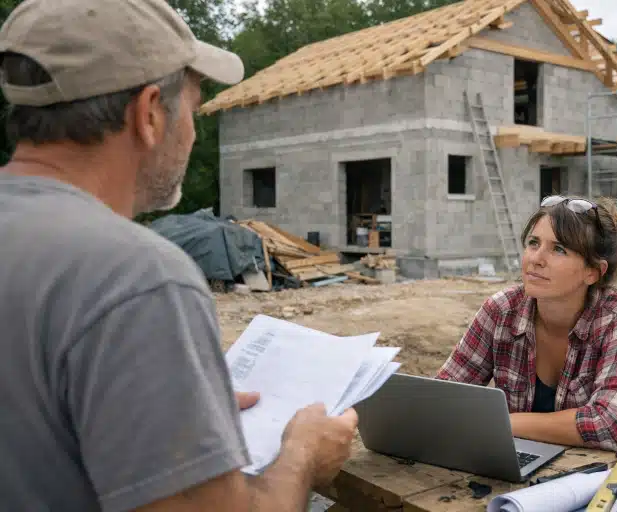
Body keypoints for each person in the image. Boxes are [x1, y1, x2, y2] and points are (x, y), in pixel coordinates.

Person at [0, 0, 357, 511]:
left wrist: (177, 415)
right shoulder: (135, 276)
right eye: (191, 107)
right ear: (148, 114)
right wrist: (302, 454)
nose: (192, 130)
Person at [436, 195, 617, 452]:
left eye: (559, 249)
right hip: (523, 460)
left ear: (593, 272)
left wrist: (500, 423)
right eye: (533, 243)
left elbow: (610, 425)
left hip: (611, 471)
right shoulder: (501, 311)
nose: (536, 259)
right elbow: (445, 396)